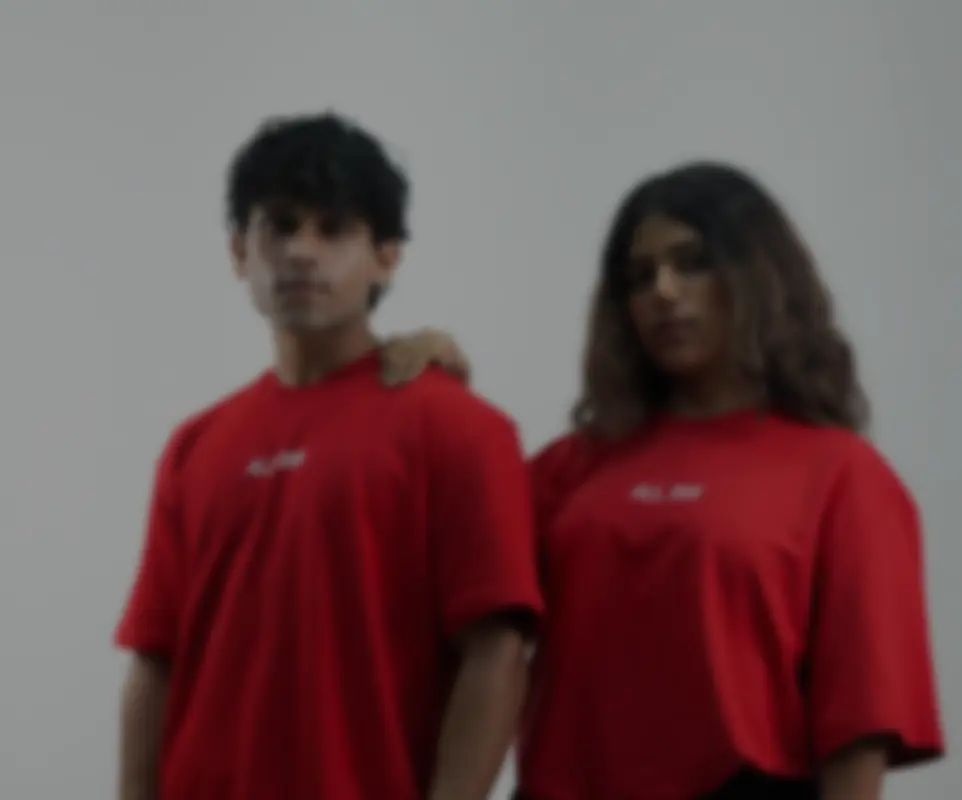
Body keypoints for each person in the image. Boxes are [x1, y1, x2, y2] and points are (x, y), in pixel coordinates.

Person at [380, 161, 945, 799]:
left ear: (759, 277)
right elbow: (423, 583)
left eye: (693, 263)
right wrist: (434, 406)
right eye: (640, 276)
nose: (665, 292)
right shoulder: (569, 470)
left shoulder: (843, 476)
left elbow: (860, 724)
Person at [114, 111, 544, 800]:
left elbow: (497, 652)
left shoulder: (462, 430)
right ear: (239, 250)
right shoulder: (195, 447)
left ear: (387, 254)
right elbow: (153, 662)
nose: (302, 252)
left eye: (334, 228)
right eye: (279, 226)